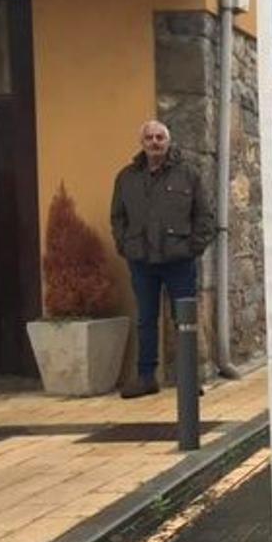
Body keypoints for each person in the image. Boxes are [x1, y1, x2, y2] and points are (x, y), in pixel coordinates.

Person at [110, 120, 214, 398]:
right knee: (146, 318)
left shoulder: (188, 174)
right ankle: (146, 377)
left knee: (184, 319)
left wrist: (193, 248)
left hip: (179, 260)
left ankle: (188, 378)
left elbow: (204, 216)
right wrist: (124, 244)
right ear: (142, 143)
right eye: (149, 138)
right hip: (141, 261)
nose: (154, 142)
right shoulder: (126, 177)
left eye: (160, 137)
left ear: (168, 141)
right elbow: (118, 217)